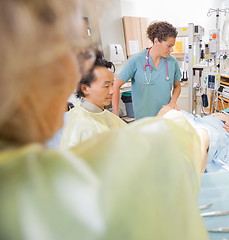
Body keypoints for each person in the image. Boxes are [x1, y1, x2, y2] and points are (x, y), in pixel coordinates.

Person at [0, 0, 208, 239]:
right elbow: (170, 163)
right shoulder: (90, 131)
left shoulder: (170, 65)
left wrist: (169, 108)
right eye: (73, 50)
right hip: (152, 120)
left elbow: (173, 91)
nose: (73, 71)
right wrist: (184, 130)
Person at [157, 99, 229, 175]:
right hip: (205, 120)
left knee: (201, 136)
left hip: (221, 130)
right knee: (167, 110)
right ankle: (152, 144)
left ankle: (190, 182)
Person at [112, 21, 182, 120]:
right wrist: (115, 115)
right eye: (169, 46)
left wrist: (173, 102)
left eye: (173, 46)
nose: (172, 50)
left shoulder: (172, 62)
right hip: (143, 120)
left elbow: (177, 86)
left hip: (165, 118)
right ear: (156, 41)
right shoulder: (135, 60)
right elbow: (116, 85)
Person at [60, 52, 127, 148]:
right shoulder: (84, 126)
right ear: (85, 88)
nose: (112, 91)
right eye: (106, 86)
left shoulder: (103, 115)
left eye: (112, 84)